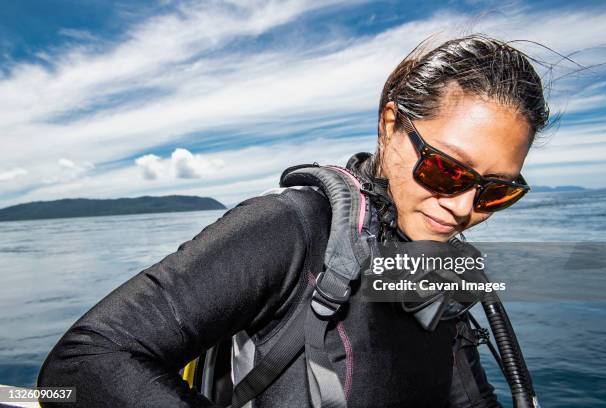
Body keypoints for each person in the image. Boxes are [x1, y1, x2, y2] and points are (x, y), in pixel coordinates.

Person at [37, 34, 549, 407]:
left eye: (496, 191)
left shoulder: (440, 265)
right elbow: (84, 361)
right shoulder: (292, 229)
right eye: (444, 170)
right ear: (391, 126)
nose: (463, 207)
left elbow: (464, 394)